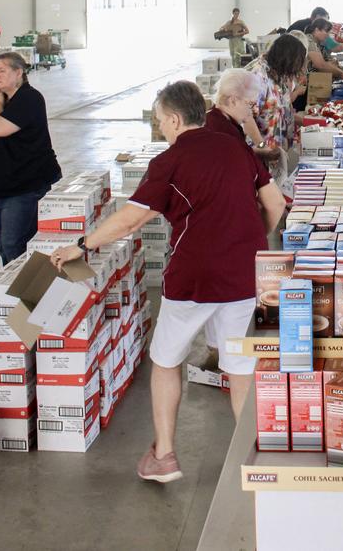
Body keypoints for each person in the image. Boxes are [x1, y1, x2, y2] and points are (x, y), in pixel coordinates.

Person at [50, 81, 285, 484]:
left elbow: (131, 219)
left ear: (175, 118)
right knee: (241, 366)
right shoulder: (237, 148)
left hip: (193, 276)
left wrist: (81, 245)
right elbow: (276, 203)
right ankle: (254, 455)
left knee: (166, 360)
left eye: (161, 122)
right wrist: (250, 243)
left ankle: (164, 455)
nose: (161, 129)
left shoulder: (170, 161)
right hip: (247, 274)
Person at [0, 53, 61, 264]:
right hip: (1, 186)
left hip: (25, 185)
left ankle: (29, 291)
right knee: (3, 247)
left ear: (19, 72)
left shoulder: (28, 98)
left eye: (3, 70)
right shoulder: (3, 97)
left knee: (14, 244)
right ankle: (10, 292)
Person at [244, 34, 308, 162]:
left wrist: (309, 123)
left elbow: (280, 109)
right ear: (287, 59)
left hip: (276, 152)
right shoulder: (257, 76)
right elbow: (245, 117)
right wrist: (262, 146)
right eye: (298, 63)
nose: (299, 69)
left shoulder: (279, 72)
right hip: (259, 155)